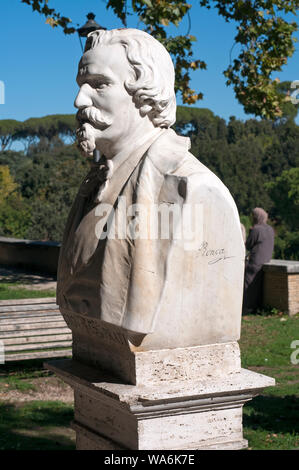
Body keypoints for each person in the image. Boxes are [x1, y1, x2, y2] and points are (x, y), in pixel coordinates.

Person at [56, 28, 245, 350]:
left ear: (146, 95)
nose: (79, 101)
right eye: (81, 86)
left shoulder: (192, 191)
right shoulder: (95, 183)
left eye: (99, 85)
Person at [243, 207, 275, 313]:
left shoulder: (256, 229)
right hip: (266, 260)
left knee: (247, 283)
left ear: (256, 217)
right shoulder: (270, 229)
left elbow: (248, 245)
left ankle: (247, 307)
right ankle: (257, 307)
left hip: (255, 263)